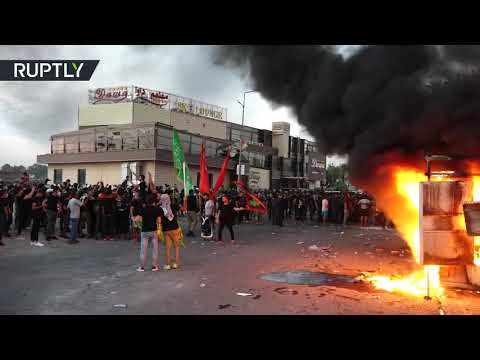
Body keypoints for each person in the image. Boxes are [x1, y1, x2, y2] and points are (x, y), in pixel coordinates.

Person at [137, 194, 161, 272]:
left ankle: (142, 267)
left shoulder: (143, 209)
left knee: (143, 250)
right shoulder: (156, 209)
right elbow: (159, 220)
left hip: (144, 231)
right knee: (155, 249)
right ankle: (154, 266)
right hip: (154, 230)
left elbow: (139, 219)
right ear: (153, 201)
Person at [158, 193, 183, 270]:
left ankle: (168, 264)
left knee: (168, 247)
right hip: (175, 228)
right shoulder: (173, 205)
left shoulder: (160, 208)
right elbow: (182, 209)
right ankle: (176, 263)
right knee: (176, 246)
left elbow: (159, 220)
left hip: (166, 229)